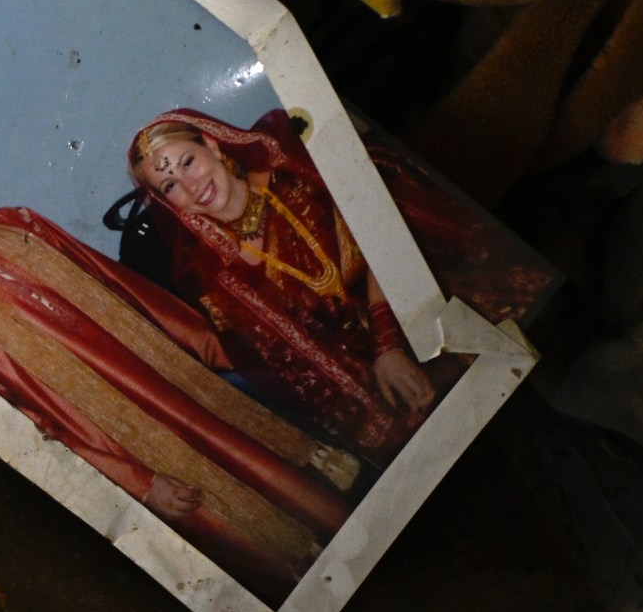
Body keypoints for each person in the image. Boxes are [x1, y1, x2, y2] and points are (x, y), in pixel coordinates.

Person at [0, 155, 353, 600]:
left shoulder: (17, 224)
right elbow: (26, 423)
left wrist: (210, 348)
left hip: (176, 384)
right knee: (256, 542)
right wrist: (136, 482)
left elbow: (114, 279)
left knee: (297, 483)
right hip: (126, 443)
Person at [125, 109, 437, 462]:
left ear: (211, 145)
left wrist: (388, 344)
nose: (190, 186)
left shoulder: (293, 175)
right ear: (171, 205)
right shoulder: (216, 280)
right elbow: (300, 366)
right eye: (170, 186)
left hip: (417, 304)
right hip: (373, 387)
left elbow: (380, 232)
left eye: (187, 163)